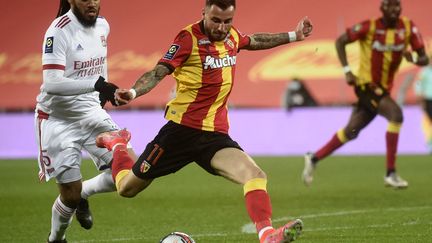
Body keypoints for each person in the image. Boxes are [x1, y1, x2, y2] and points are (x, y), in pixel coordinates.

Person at [95, 0, 312, 242]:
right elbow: (159, 71)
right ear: (204, 14)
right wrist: (134, 92)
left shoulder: (231, 36)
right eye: (216, 20)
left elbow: (255, 40)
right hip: (179, 133)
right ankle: (118, 144)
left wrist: (294, 35)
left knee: (255, 174)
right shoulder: (187, 38)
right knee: (126, 189)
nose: (221, 27)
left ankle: (268, 235)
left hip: (214, 137)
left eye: (227, 21)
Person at [35, 0, 136, 242]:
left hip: (91, 113)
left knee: (129, 173)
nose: (91, 2)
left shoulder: (103, 26)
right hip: (58, 120)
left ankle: (84, 194)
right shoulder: (58, 31)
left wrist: (106, 93)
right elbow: (52, 83)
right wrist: (97, 84)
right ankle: (56, 239)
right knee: (69, 196)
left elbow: (98, 64)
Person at [302, 0, 429, 189]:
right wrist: (347, 70)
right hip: (365, 86)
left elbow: (424, 58)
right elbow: (340, 41)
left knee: (351, 131)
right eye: (390, 6)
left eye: (397, 6)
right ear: (382, 8)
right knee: (396, 115)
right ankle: (391, 173)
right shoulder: (369, 27)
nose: (394, 10)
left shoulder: (408, 28)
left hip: (383, 89)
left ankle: (314, 157)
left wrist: (415, 59)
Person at [413, 57, 432, 153]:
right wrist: (420, 97)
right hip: (428, 99)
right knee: (430, 122)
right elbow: (418, 84)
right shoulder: (424, 72)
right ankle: (430, 144)